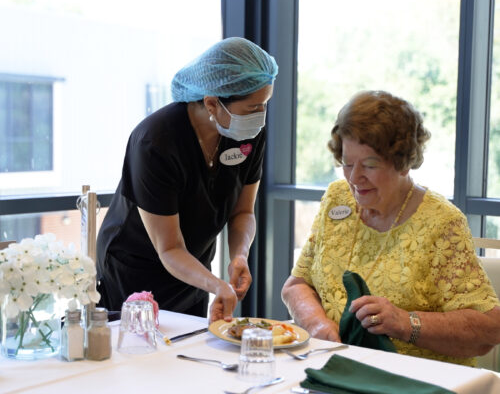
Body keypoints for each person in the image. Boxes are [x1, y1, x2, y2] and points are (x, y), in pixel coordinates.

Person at [282, 90, 500, 366]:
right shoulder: (338, 199)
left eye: (370, 165)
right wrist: (319, 327)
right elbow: (297, 285)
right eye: (347, 163)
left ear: (402, 162)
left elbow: (488, 330)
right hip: (338, 370)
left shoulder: (441, 222)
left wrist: (404, 323)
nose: (354, 177)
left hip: (414, 379)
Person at [96, 37, 278, 323]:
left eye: (265, 105)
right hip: (137, 268)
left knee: (187, 352)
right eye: (253, 108)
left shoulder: (248, 135)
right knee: (139, 354)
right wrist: (216, 284)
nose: (261, 117)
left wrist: (239, 256)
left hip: (193, 269)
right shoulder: (155, 141)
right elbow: (169, 248)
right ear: (212, 103)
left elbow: (243, 212)